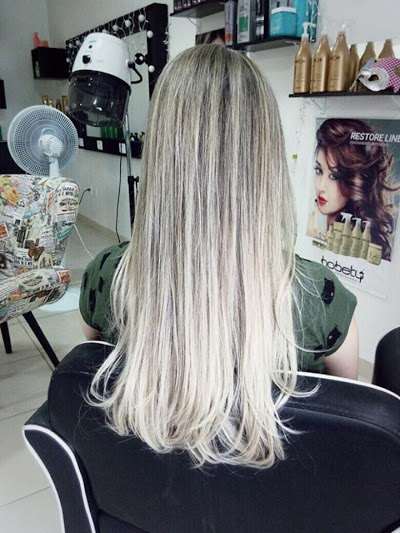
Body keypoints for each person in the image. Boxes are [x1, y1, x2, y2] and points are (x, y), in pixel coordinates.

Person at [78, 44, 358, 469]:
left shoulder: (108, 276)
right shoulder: (320, 298)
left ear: (161, 151)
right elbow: (344, 417)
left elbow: (90, 364)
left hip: (148, 493)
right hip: (271, 496)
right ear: (265, 156)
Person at [308, 118, 398, 261]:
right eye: (319, 171)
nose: (320, 186)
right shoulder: (314, 228)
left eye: (334, 176)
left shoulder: (364, 245)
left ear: (356, 181)